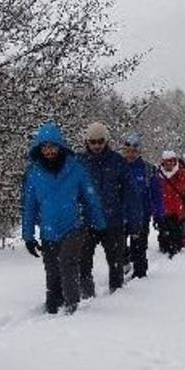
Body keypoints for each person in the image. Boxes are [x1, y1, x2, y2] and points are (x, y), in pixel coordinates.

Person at [22, 122, 107, 313]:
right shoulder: (33, 173)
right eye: (45, 147)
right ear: (40, 148)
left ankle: (72, 306)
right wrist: (28, 236)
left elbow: (90, 197)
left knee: (68, 265)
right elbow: (29, 207)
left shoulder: (76, 169)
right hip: (48, 230)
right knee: (52, 272)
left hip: (73, 227)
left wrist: (99, 224)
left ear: (60, 146)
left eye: (53, 146)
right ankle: (53, 307)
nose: (49, 151)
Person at [76, 122, 140, 295]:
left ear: (106, 141)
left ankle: (116, 295)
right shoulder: (78, 163)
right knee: (83, 262)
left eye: (100, 141)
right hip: (87, 222)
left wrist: (134, 224)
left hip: (113, 222)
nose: (97, 145)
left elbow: (131, 195)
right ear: (86, 142)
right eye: (92, 141)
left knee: (116, 262)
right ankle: (87, 295)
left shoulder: (118, 162)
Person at [119, 133, 163, 278]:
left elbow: (156, 194)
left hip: (141, 217)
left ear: (139, 152)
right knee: (118, 247)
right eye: (128, 151)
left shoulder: (147, 170)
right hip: (120, 216)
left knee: (139, 249)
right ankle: (123, 266)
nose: (130, 155)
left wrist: (158, 215)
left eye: (134, 151)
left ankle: (140, 278)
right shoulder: (117, 167)